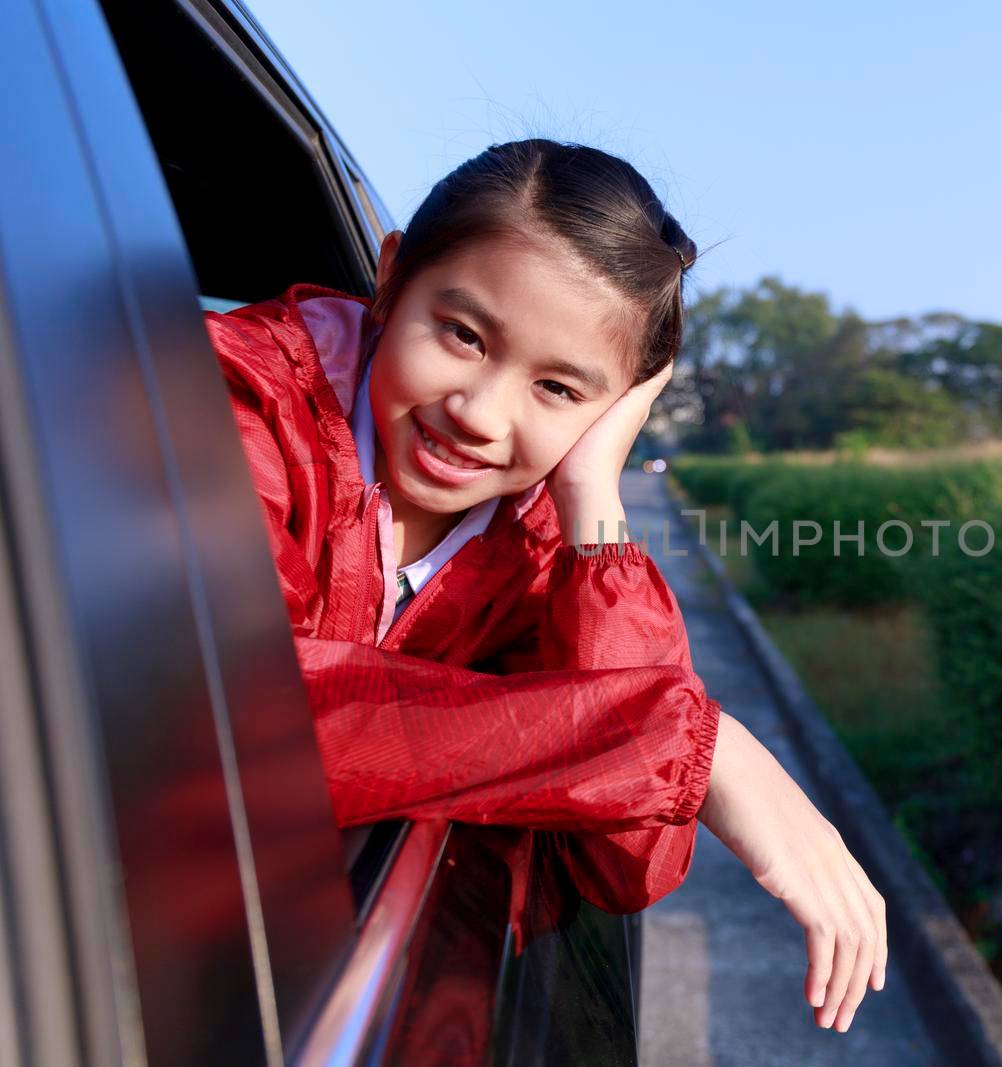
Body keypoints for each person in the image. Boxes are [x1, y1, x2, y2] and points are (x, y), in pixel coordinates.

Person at [204, 139, 885, 1033]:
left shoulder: (538, 544)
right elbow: (240, 722)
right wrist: (696, 744)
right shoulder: (224, 406)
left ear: (615, 411)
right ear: (391, 274)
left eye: (559, 388)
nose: (481, 414)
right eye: (462, 334)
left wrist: (593, 499)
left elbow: (627, 866)